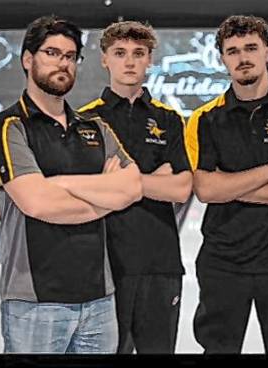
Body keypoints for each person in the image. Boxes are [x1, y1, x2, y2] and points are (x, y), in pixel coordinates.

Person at [0, 15, 143, 353]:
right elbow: (38, 203)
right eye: (52, 53)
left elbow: (132, 188)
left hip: (100, 298)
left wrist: (59, 184)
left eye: (70, 56)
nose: (63, 63)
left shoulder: (96, 128)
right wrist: (104, 192)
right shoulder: (7, 127)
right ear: (28, 59)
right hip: (35, 302)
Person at [185, 15, 268, 353]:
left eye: (251, 48)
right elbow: (205, 190)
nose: (242, 57)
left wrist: (230, 185)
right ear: (222, 58)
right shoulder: (205, 119)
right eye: (233, 51)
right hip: (222, 260)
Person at [78, 21, 192, 353]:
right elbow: (85, 189)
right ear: (104, 60)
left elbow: (182, 188)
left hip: (161, 264)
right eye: (120, 53)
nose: (129, 62)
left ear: (150, 60)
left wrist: (123, 183)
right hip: (103, 266)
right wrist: (156, 178)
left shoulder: (169, 119)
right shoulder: (84, 121)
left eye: (138, 54)